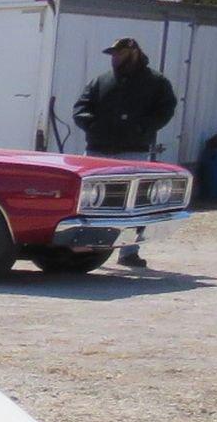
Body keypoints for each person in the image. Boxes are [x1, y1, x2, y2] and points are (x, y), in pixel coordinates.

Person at [73, 37, 179, 266]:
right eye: (113, 54)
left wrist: (142, 128)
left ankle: (128, 251)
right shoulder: (101, 81)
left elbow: (166, 109)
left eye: (119, 54)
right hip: (98, 151)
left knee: (133, 204)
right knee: (90, 201)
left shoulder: (156, 82)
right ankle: (86, 249)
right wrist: (93, 126)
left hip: (134, 150)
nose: (115, 58)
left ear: (133, 54)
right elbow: (81, 109)